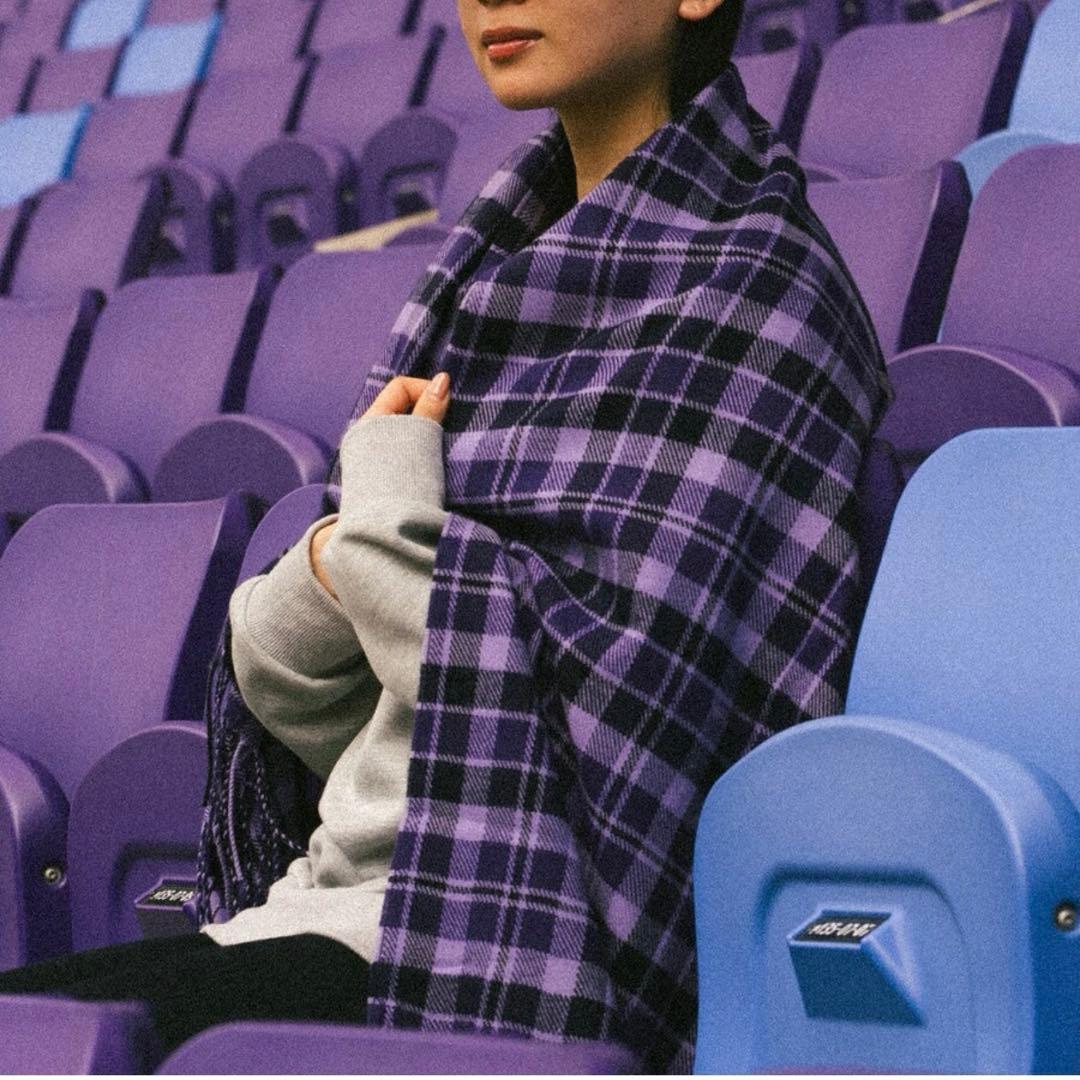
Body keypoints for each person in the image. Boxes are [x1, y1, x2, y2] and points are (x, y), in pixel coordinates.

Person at [0, 0, 891, 1071]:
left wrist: (377, 528)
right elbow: (313, 699)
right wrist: (337, 558)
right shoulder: (482, 277)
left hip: (487, 946)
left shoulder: (762, 296)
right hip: (314, 905)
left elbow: (603, 735)